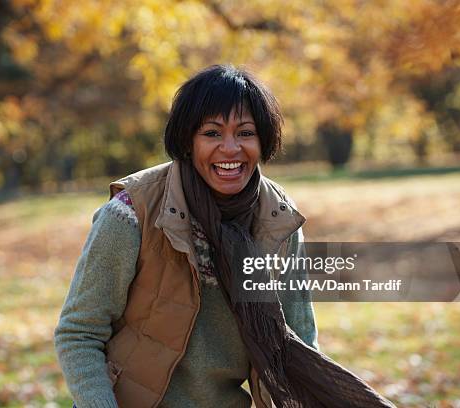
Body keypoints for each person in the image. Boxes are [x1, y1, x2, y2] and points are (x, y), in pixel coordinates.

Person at [54, 65, 394, 408]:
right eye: (212, 133)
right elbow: (79, 334)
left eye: (245, 133)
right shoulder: (132, 212)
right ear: (188, 140)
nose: (230, 149)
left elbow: (299, 344)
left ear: (263, 140)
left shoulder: (277, 218)